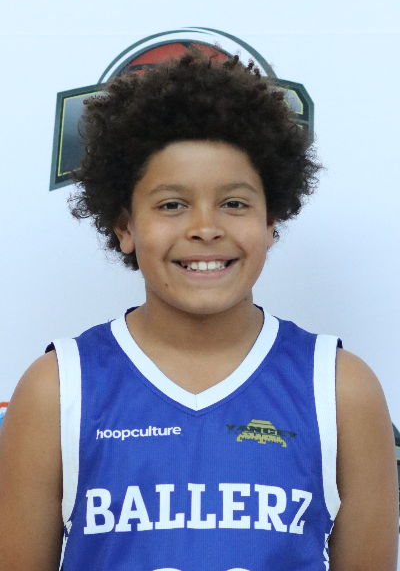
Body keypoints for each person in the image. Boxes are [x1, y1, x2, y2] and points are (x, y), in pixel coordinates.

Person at [0, 52, 398, 571]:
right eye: (172, 205)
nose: (205, 228)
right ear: (125, 226)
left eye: (234, 203)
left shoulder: (341, 389)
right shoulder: (57, 390)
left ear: (271, 221)